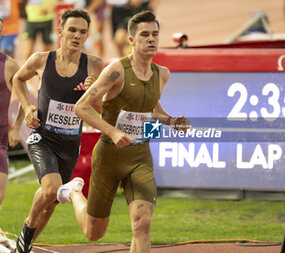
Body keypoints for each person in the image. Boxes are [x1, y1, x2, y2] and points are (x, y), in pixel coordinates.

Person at [57, 10, 189, 253]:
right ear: (131, 40)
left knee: (143, 223)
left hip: (140, 158)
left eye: (155, 35)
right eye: (145, 35)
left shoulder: (162, 74)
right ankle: (73, 192)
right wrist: (114, 132)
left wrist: (171, 121)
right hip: (108, 156)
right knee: (93, 232)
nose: (151, 39)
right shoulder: (116, 70)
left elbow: (151, 111)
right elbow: (82, 107)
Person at [11, 9, 104, 253]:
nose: (77, 36)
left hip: (70, 143)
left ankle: (23, 248)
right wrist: (27, 105)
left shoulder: (94, 65)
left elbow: (102, 110)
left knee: (51, 201)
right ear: (60, 30)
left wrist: (94, 92)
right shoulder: (41, 59)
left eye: (83, 32)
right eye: (72, 30)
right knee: (52, 188)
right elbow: (18, 80)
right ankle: (28, 226)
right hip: (42, 136)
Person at [0, 17, 23, 206]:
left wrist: (16, 127)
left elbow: (26, 98)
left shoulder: (9, 65)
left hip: (0, 139)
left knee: (0, 195)